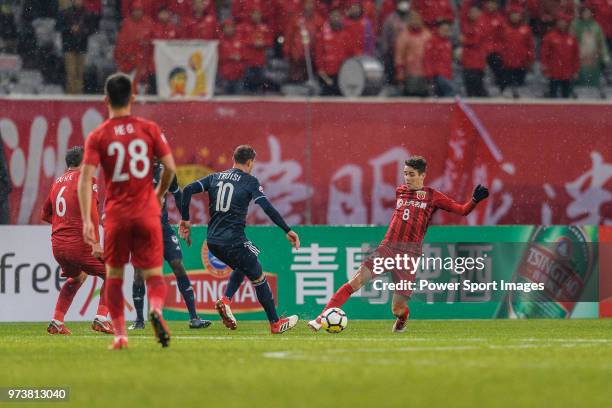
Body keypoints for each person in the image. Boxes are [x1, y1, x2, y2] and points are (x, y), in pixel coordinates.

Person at [308, 156, 489, 333]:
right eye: (405, 173)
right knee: (355, 282)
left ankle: (403, 319)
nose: (407, 178)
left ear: (422, 175)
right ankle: (320, 319)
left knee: (397, 309)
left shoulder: (432, 196)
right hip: (387, 248)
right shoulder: (400, 191)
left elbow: (462, 211)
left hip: (409, 256)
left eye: (411, 174)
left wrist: (474, 200)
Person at [78, 73, 176, 350]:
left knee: (115, 276)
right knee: (154, 274)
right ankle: (156, 310)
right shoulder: (149, 129)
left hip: (117, 215)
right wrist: (158, 195)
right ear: (133, 98)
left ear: (105, 100)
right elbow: (170, 168)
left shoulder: (98, 135)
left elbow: (86, 179)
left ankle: (120, 335)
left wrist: (87, 219)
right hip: (146, 212)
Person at [179, 145, 300, 334]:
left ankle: (226, 300)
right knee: (258, 274)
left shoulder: (215, 177)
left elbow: (186, 190)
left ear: (233, 159)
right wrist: (287, 229)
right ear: (250, 162)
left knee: (244, 264)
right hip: (233, 240)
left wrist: (185, 220)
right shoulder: (249, 181)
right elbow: (266, 207)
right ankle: (275, 323)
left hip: (212, 241)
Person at [129, 161, 211, 330]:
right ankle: (138, 320)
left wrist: (185, 220)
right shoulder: (134, 171)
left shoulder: (166, 172)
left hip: (163, 230)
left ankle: (194, 318)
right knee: (139, 273)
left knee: (178, 265)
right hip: (141, 231)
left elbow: (178, 195)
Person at [41, 146, 113, 335]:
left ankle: (56, 321)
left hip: (57, 246)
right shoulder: (87, 179)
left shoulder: (57, 182)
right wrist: (95, 243)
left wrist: (64, 225)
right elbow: (92, 213)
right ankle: (101, 318)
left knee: (78, 277)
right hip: (79, 244)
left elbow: (45, 214)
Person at [57, 0, 97, 94]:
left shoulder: (87, 14)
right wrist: (70, 29)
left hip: (82, 46)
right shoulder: (65, 13)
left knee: (80, 74)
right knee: (71, 73)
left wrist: (82, 30)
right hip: (69, 46)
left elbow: (92, 29)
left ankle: (78, 95)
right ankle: (71, 95)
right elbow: (59, 27)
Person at [572, 5, 609, 94]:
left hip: (593, 55)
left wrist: (604, 54)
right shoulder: (576, 25)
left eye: (588, 12)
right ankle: (576, 92)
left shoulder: (596, 25)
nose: (586, 14)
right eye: (585, 12)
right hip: (580, 54)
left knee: (593, 74)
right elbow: (572, 40)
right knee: (579, 74)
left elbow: (601, 41)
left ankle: (597, 92)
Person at [541, 13, 579, 98]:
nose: (562, 24)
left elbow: (575, 56)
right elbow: (544, 54)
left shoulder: (571, 38)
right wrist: (545, 68)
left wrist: (575, 70)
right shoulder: (550, 37)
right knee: (553, 96)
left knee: (566, 96)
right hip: (554, 72)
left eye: (564, 22)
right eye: (560, 22)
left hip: (567, 73)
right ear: (557, 23)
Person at [394, 10, 431, 96]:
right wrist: (400, 71)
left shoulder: (427, 35)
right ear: (409, 21)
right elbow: (399, 56)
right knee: (410, 95)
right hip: (409, 73)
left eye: (417, 19)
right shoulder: (404, 36)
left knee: (424, 96)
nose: (415, 21)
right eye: (413, 19)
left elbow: (432, 55)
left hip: (425, 73)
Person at [500, 6, 535, 98]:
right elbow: (500, 44)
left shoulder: (526, 29)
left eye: (517, 15)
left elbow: (530, 46)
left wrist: (530, 60)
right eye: (513, 15)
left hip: (521, 63)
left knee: (520, 85)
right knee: (506, 86)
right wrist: (502, 57)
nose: (515, 17)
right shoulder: (504, 28)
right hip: (507, 64)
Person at [315, 8, 350, 95]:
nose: (336, 18)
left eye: (338, 16)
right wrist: (321, 71)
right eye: (333, 16)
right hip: (327, 75)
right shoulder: (322, 34)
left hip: (342, 73)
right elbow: (318, 55)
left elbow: (350, 54)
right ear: (329, 17)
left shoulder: (346, 35)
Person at [461, 5, 488, 97]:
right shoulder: (467, 24)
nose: (472, 14)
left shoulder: (481, 24)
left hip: (477, 62)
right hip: (468, 61)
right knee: (470, 87)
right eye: (471, 12)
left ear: (479, 13)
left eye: (475, 12)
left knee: (477, 86)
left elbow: (476, 40)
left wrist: (465, 40)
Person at [423, 20, 455, 97]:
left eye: (447, 30)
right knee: (450, 93)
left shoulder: (448, 42)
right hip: (438, 75)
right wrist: (429, 75)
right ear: (438, 29)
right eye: (443, 30)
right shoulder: (432, 41)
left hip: (447, 75)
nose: (445, 32)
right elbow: (427, 59)